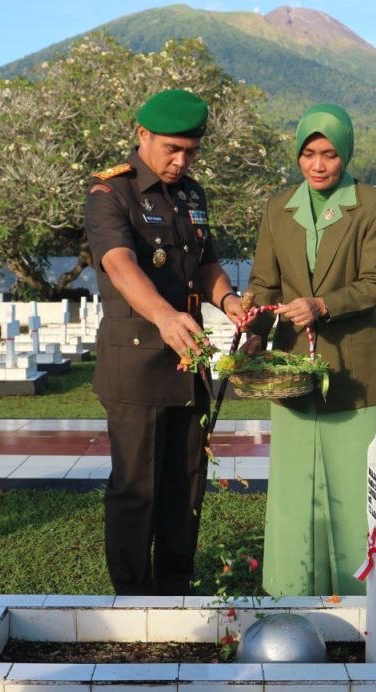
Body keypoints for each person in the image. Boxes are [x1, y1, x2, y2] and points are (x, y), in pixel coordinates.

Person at [83, 88, 244, 595]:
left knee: (186, 482)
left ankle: (175, 586)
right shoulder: (110, 194)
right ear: (142, 135)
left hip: (188, 361)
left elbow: (207, 264)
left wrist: (231, 301)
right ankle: (131, 595)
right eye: (171, 149)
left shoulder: (194, 195)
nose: (180, 161)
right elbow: (119, 264)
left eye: (190, 151)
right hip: (137, 363)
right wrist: (165, 316)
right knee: (137, 488)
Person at [244, 103, 376, 597]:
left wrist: (323, 305)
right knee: (294, 489)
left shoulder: (372, 205)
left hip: (354, 370)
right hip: (291, 371)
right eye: (308, 153)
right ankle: (292, 588)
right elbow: (265, 283)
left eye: (329, 154)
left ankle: (361, 597)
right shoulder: (277, 208)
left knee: (357, 493)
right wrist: (253, 333)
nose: (317, 164)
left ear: (345, 154)